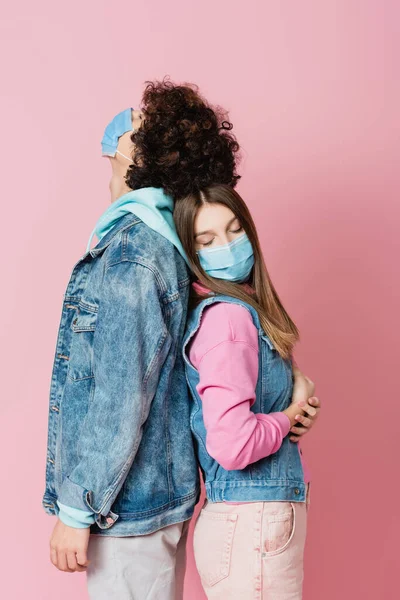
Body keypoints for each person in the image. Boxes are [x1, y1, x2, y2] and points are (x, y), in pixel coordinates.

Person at [43, 79, 318, 600]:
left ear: (140, 154)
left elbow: (122, 393)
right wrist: (292, 390)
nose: (123, 124)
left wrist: (78, 507)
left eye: (136, 124)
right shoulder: (169, 247)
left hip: (126, 505)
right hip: (157, 495)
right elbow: (212, 360)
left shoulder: (136, 250)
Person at [174, 184, 318, 599]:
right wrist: (289, 416)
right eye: (208, 240)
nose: (229, 246)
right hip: (252, 522)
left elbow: (254, 402)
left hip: (252, 521)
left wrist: (299, 400)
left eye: (236, 231)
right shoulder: (229, 319)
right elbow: (233, 445)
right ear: (192, 254)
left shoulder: (243, 312)